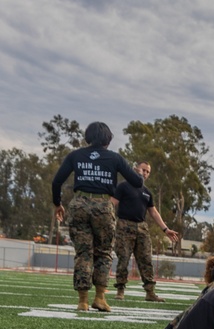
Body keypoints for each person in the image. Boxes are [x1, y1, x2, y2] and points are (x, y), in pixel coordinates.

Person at [51, 121, 145, 312]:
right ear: (108, 139)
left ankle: (82, 301)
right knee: (103, 253)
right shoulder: (115, 158)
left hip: (79, 205)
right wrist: (136, 171)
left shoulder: (75, 155)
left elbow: (56, 181)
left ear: (88, 137)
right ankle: (100, 298)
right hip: (103, 206)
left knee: (83, 253)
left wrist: (58, 204)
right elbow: (137, 182)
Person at [111, 161, 180, 302]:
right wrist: (109, 222)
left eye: (148, 171)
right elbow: (112, 204)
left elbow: (153, 212)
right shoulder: (123, 186)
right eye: (143, 170)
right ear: (136, 169)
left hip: (142, 228)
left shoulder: (147, 192)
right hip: (124, 226)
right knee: (123, 259)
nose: (145, 173)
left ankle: (150, 292)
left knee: (146, 260)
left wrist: (165, 229)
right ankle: (120, 290)